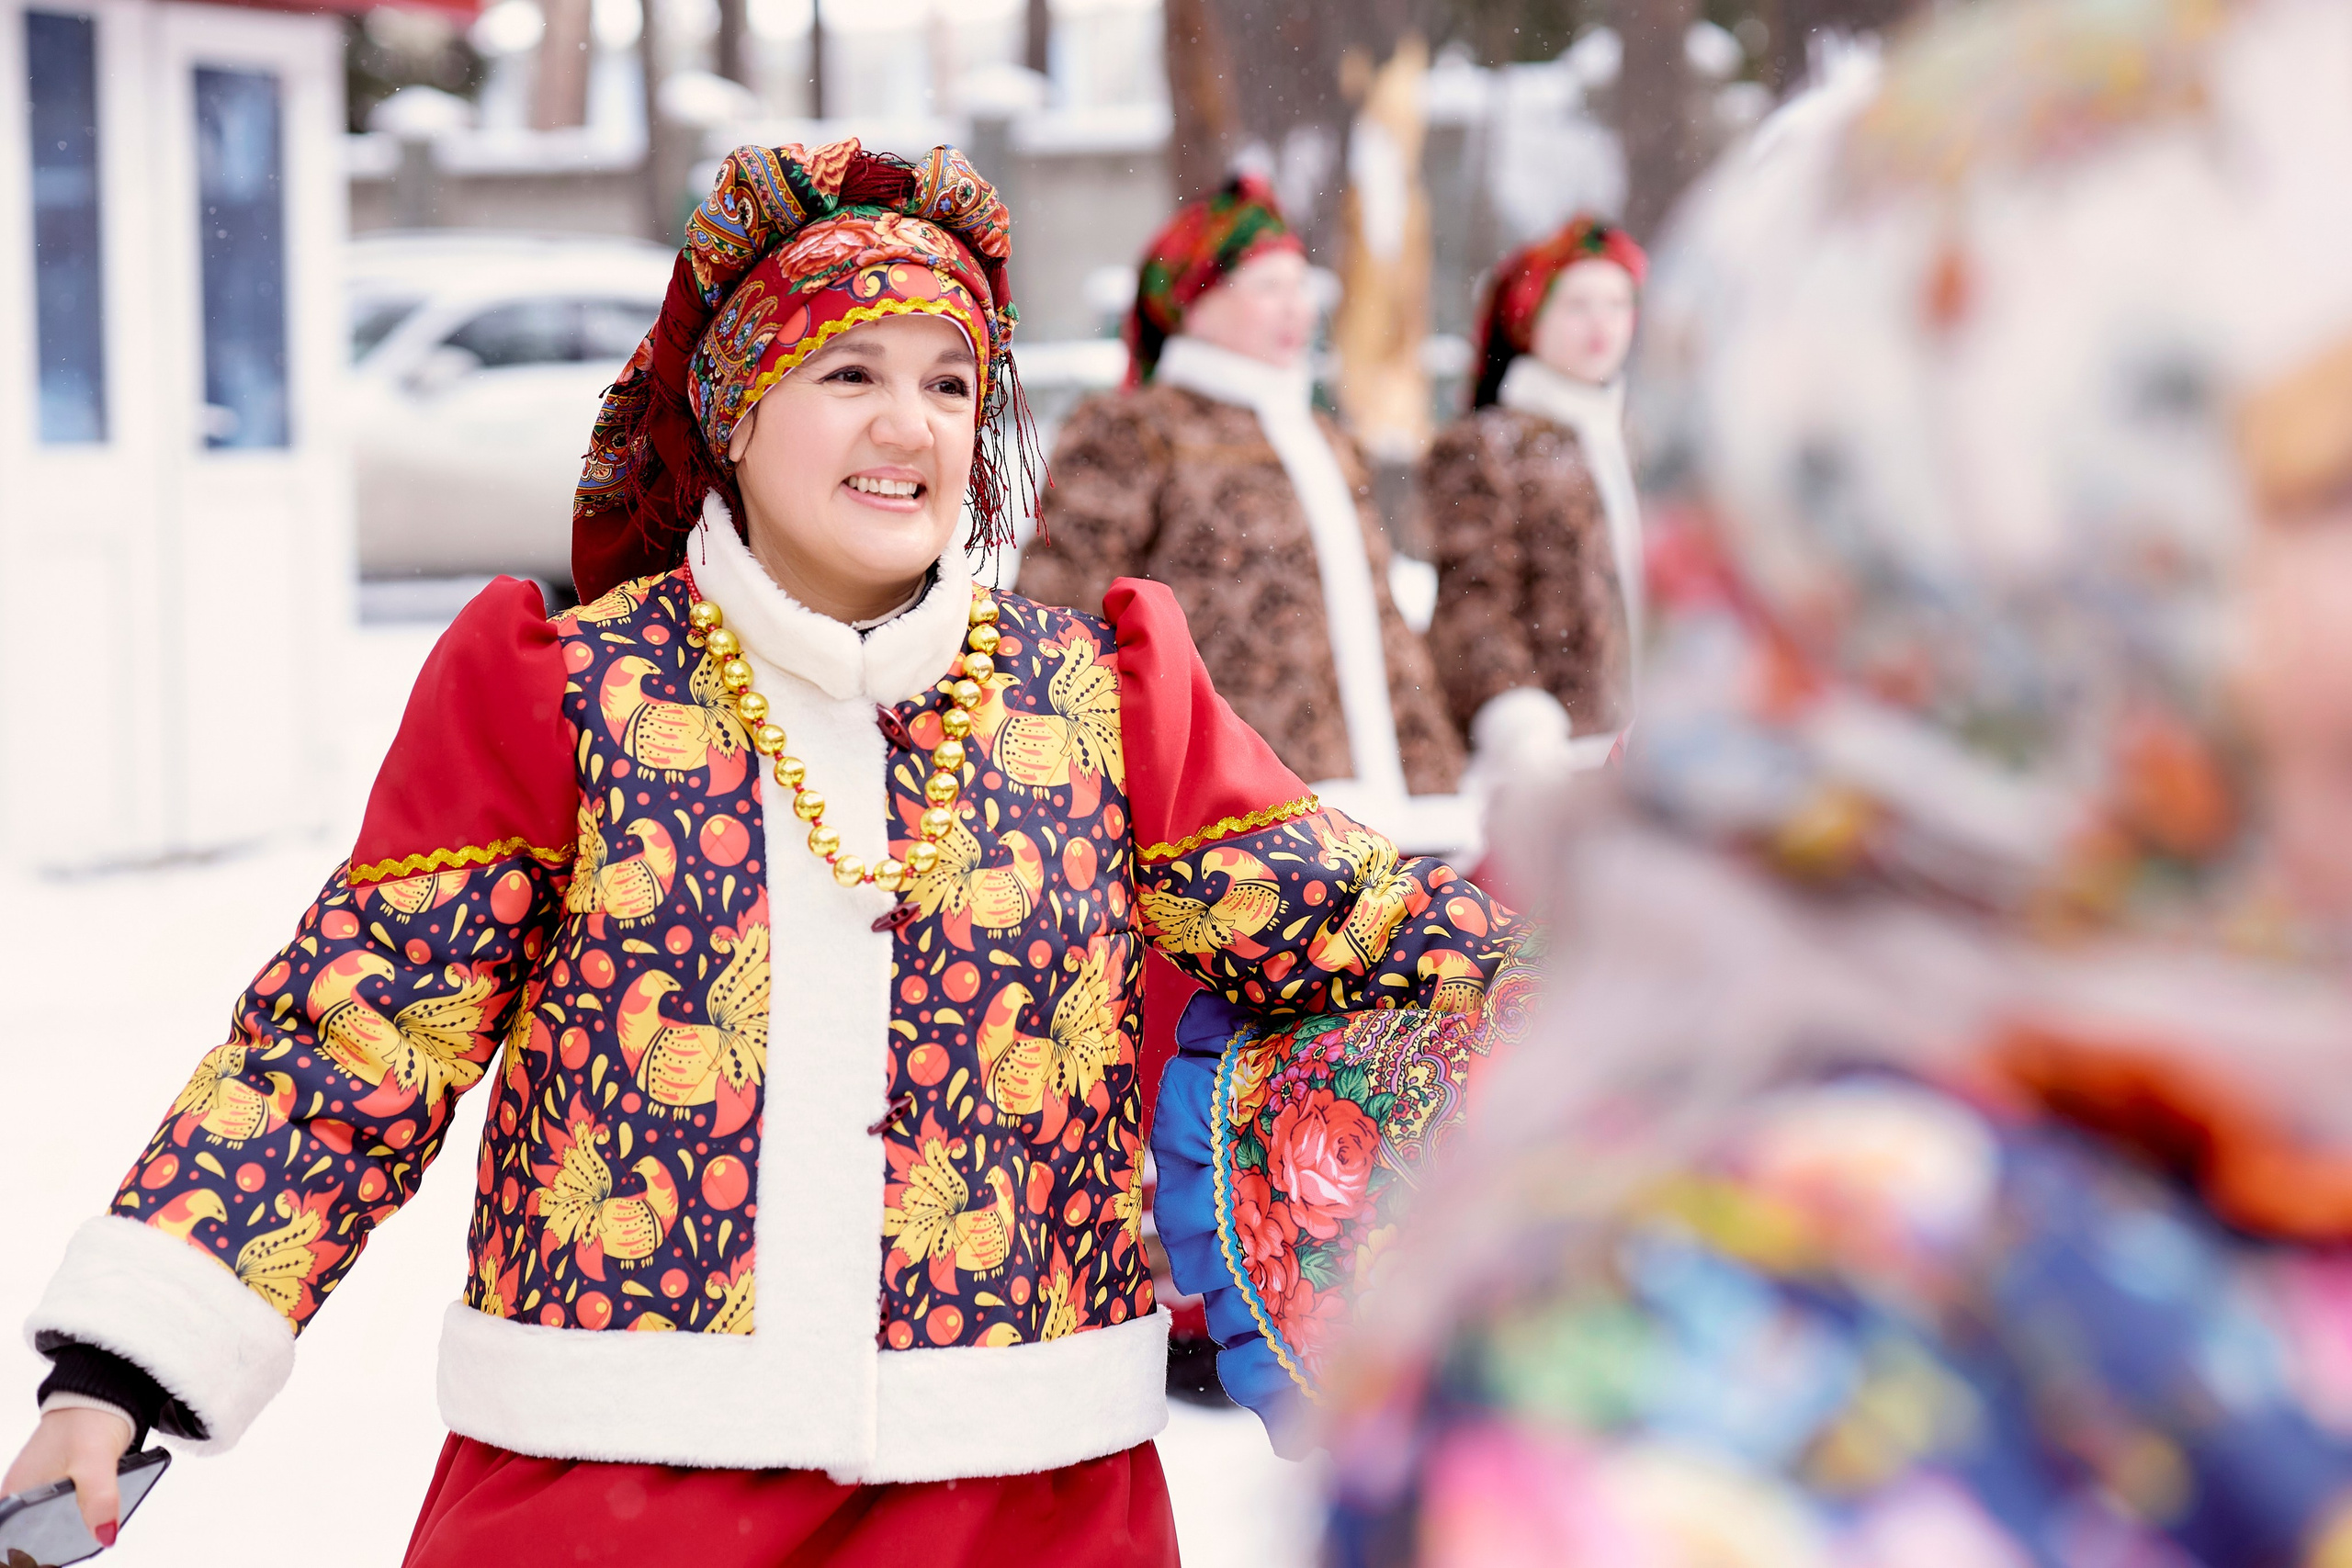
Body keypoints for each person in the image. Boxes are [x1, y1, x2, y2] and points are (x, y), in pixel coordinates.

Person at [4, 140, 1516, 1568]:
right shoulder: (559, 692)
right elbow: (353, 1040)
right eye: (848, 370)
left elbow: (1362, 925)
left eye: (947, 382)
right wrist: (120, 1367)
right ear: (733, 403)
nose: (907, 424)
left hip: (1020, 1501)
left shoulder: (1102, 701)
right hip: (614, 1493)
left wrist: (1663, 949)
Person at [1299, 1, 2352, 1561]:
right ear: (1982, 542)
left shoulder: (2257, 1117)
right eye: (2328, 486)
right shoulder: (1707, 1372)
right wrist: (1512, 715)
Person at [1016, 175, 1465, 827]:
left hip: (1399, 803)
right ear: (1193, 304)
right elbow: (1061, 613)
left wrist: (1432, 757)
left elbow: (1380, 615)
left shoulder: (1322, 433)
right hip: (1234, 811)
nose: (1296, 308)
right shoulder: (1137, 431)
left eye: (1300, 286)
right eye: (1266, 287)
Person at [1420, 219, 1645, 780]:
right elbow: (1471, 601)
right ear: (1529, 318)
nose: (1601, 325)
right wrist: (1521, 724)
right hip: (1555, 760)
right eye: (1577, 305)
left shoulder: (1652, 439)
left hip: (1664, 754)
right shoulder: (1486, 446)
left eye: (1617, 303)